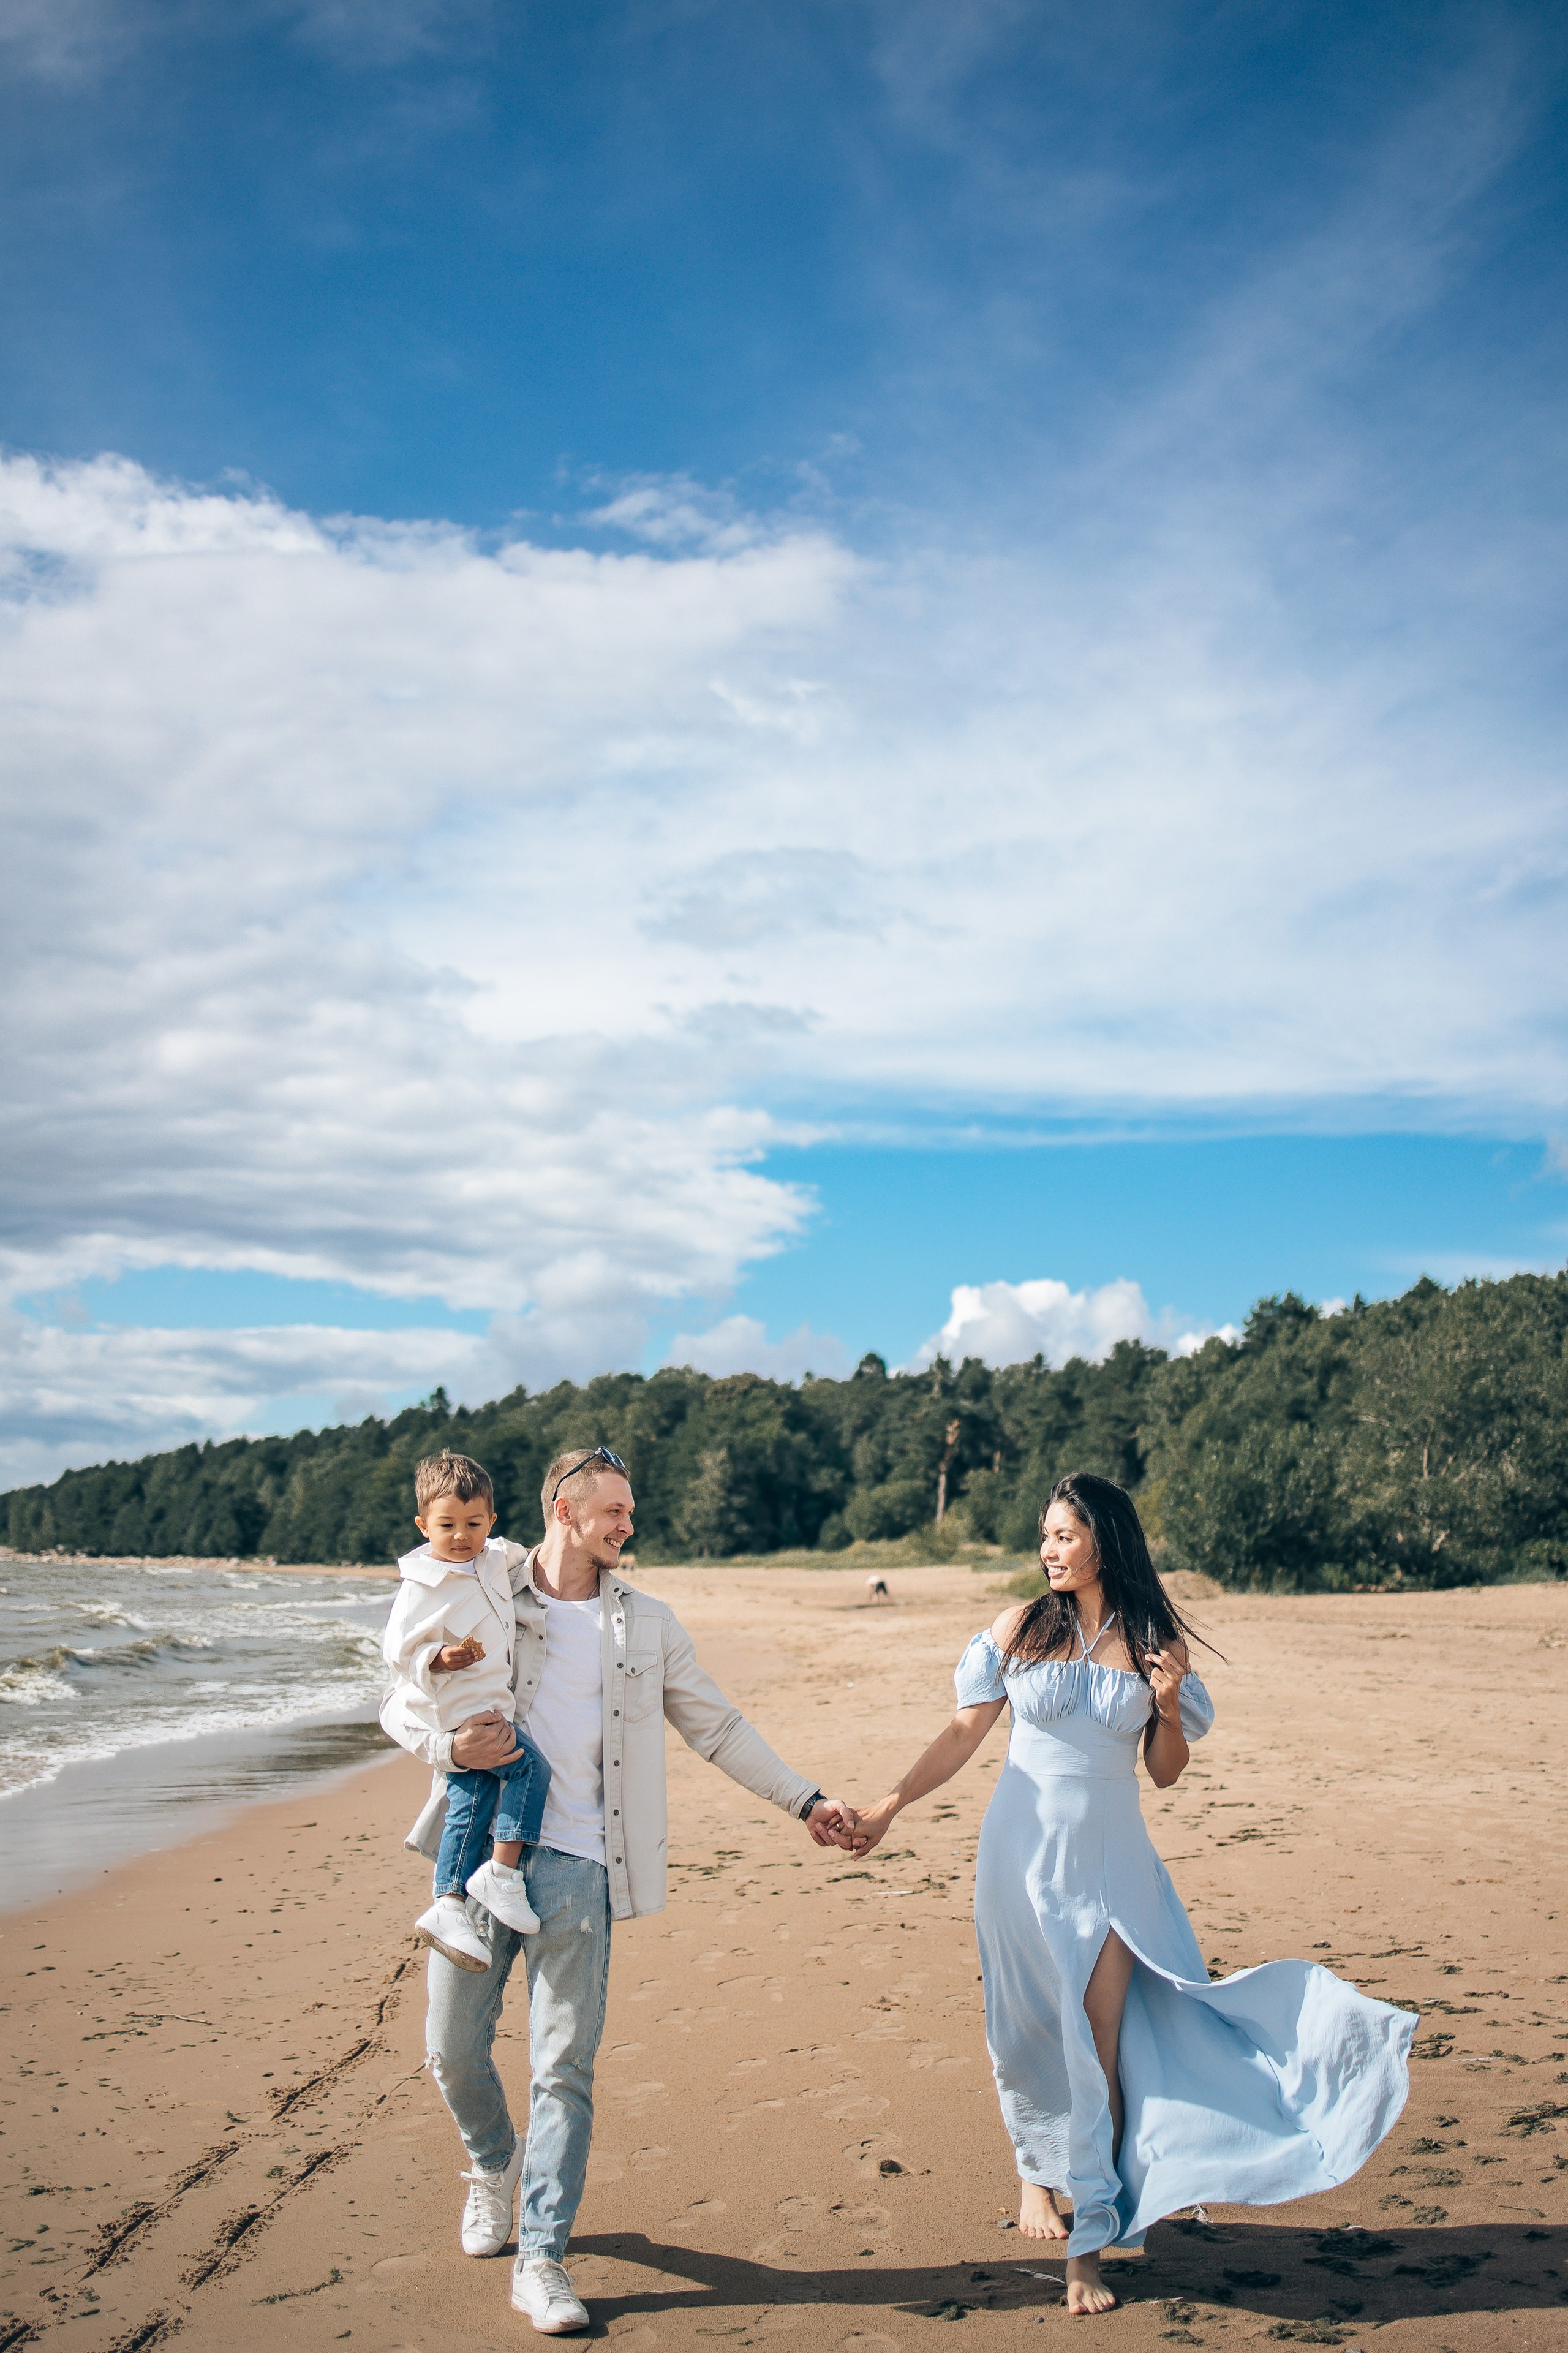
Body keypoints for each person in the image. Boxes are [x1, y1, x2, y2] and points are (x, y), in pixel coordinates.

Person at [846, 1470, 1415, 2318]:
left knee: (1097, 2035)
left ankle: (1090, 2240)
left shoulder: (1153, 1638)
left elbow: (1166, 1771)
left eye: (1064, 1536)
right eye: (1043, 1536)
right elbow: (964, 1733)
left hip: (1112, 1858)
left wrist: (1173, 1703)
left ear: (1104, 1540)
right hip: (1018, 1853)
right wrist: (890, 1802)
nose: (1048, 1550)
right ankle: (1035, 2175)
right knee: (1027, 2020)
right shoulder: (1015, 1629)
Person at [380, 1443, 855, 2336]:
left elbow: (717, 1725)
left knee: (563, 2068)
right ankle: (493, 2166)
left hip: (582, 1867)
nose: (628, 1524)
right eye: (614, 1511)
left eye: (630, 1511)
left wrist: (807, 1800)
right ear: (566, 1510)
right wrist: (447, 1749)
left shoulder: (648, 1623)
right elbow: (400, 1690)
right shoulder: (483, 1582)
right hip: (481, 1853)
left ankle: (544, 2259)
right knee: (450, 2047)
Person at [382, 1451, 552, 1965]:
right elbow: (398, 1650)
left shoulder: (494, 1558)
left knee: (473, 1804)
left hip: (489, 1706)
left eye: (474, 1523)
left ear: (491, 1522)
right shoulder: (421, 1584)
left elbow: (534, 1553)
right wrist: (439, 1655)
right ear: (423, 1525)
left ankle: (451, 1902)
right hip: (459, 1715)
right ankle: (497, 1875)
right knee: (530, 1770)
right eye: (447, 1525)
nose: (461, 1536)